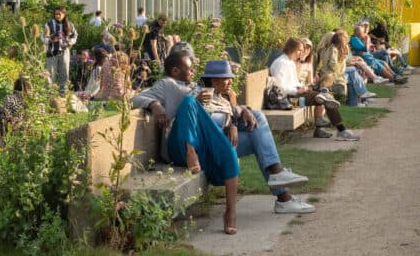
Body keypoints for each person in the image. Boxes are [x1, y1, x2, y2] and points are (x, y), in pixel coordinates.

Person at [132, 54, 311, 234]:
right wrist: (156, 105)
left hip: (211, 143)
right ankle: (195, 154)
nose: (194, 71)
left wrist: (238, 114)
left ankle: (282, 192)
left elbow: (223, 111)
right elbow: (137, 98)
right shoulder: (168, 85)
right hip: (183, 145)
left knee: (256, 120)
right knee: (190, 103)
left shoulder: (202, 89)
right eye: (190, 68)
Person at [269, 37, 359, 141]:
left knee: (326, 98)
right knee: (325, 98)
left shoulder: (289, 62)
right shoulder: (281, 63)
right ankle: (340, 131)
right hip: (286, 98)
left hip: (296, 93)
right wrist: (297, 90)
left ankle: (339, 129)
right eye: (299, 50)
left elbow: (293, 82)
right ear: (291, 48)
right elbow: (280, 88)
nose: (301, 53)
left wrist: (302, 87)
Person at [43, 6, 77, 94]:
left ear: (64, 14)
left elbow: (75, 36)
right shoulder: (49, 24)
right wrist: (50, 40)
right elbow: (42, 37)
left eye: (59, 14)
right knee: (50, 75)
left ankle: (63, 96)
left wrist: (71, 42)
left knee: (64, 74)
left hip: (64, 52)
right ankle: (49, 96)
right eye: (56, 14)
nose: (57, 16)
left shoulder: (69, 24)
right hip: (52, 53)